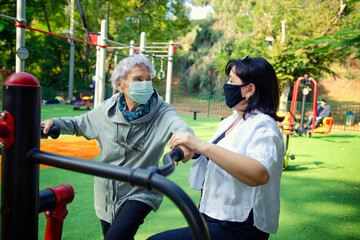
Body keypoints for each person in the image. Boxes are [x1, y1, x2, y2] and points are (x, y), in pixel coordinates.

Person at [41, 54, 193, 240]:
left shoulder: (162, 111)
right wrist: (54, 122)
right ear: (120, 85)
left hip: (140, 191)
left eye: (148, 79)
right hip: (107, 192)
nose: (145, 84)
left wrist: (185, 140)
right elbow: (78, 123)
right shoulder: (108, 109)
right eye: (138, 79)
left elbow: (178, 125)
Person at [149, 56, 285, 240]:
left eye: (231, 80)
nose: (226, 85)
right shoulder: (231, 120)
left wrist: (201, 145)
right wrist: (193, 150)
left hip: (239, 226)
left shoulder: (264, 126)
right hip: (213, 215)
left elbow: (259, 173)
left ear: (249, 89)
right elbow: (220, 152)